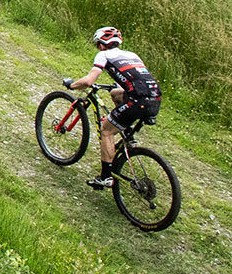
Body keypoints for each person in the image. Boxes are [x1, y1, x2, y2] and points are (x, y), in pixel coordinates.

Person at [64, 27, 160, 189]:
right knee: (116, 94)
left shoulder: (104, 55)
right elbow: (137, 77)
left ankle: (105, 177)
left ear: (102, 45)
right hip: (155, 97)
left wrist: (72, 85)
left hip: (137, 100)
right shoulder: (132, 55)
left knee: (106, 130)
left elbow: (89, 81)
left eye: (97, 45)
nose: (98, 48)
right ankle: (127, 134)